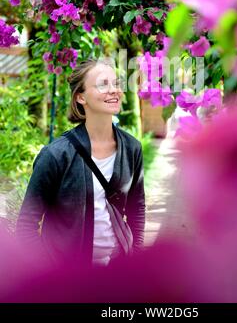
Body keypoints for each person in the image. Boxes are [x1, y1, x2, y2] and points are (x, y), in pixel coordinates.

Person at [16, 58, 145, 267]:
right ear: (80, 97)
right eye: (103, 84)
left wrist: (135, 260)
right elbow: (26, 226)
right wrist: (49, 275)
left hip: (117, 271)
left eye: (117, 84)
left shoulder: (132, 148)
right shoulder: (56, 155)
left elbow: (136, 209)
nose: (114, 91)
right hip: (68, 279)